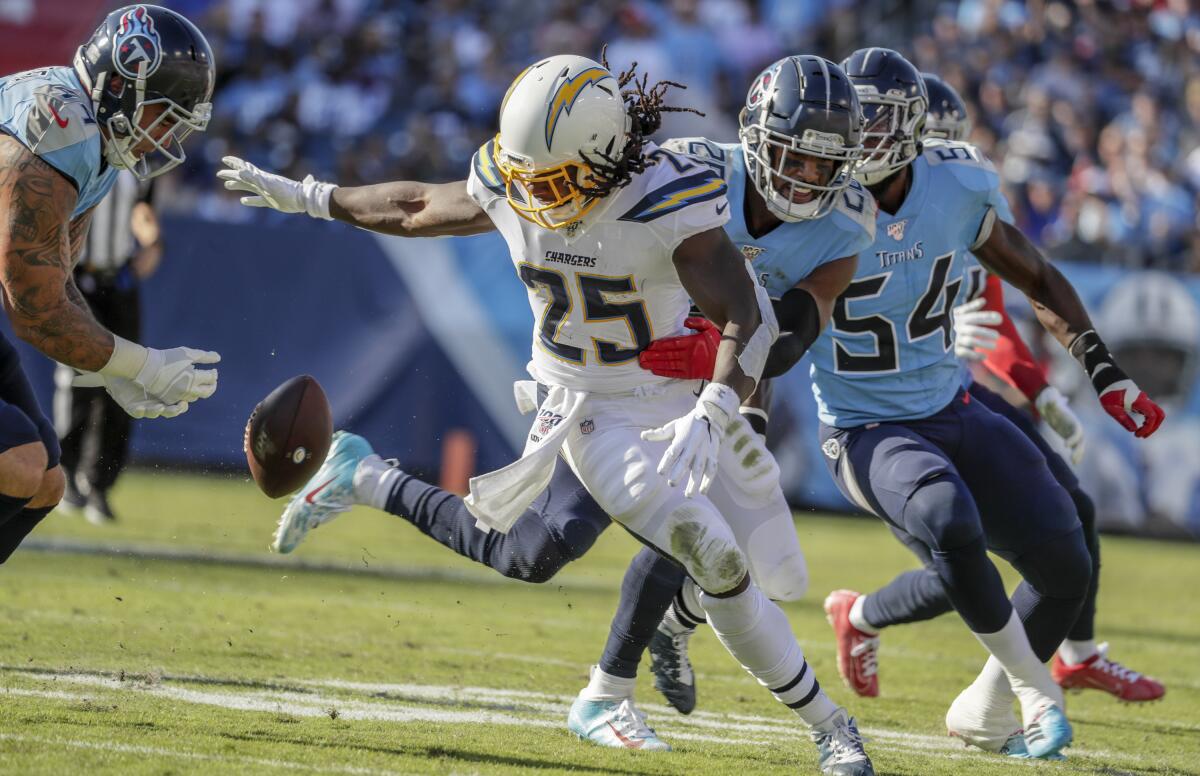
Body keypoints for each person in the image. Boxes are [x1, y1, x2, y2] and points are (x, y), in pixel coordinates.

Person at [219, 54, 875, 775]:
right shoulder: (520, 172)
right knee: (708, 550)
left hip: (668, 394)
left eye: (553, 179)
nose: (532, 195)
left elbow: (744, 313)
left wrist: (719, 406)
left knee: (541, 553)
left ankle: (366, 477)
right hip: (586, 407)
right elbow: (415, 207)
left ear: (599, 157)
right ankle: (819, 726)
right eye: (524, 175)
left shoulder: (666, 194)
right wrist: (312, 196)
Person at [632, 49, 1164, 761]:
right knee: (920, 519)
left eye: (881, 120)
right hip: (860, 422)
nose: (864, 137)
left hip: (949, 398)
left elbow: (1031, 273)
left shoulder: (955, 184)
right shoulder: (818, 202)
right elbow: (772, 322)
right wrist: (739, 402)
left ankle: (990, 706)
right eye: (859, 119)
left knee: (1068, 555)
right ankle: (649, 645)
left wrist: (1101, 370)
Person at [822, 73, 1165, 705]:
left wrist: (1048, 391)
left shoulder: (956, 190)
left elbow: (1005, 298)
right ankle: (869, 618)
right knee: (957, 544)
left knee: (1063, 523)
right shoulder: (832, 203)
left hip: (954, 392)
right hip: (882, 408)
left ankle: (1071, 657)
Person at [0, 5, 221, 562]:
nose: (166, 136)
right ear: (122, 83)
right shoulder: (56, 127)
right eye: (164, 116)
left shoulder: (92, 140)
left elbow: (57, 276)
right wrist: (135, 364)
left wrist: (109, 365)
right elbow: (35, 309)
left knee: (46, 483)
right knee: (18, 464)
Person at [54, 171, 163, 524]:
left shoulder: (141, 162)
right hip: (79, 277)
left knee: (124, 382)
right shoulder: (85, 151)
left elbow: (141, 211)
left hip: (119, 280)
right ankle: (66, 472)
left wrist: (153, 241)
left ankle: (100, 484)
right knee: (79, 377)